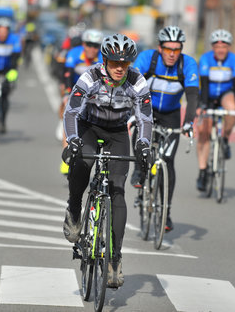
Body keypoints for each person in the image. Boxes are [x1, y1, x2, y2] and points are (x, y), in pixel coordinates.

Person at [61, 33, 153, 288]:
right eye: (114, 63)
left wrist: (144, 145)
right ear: (105, 60)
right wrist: (73, 140)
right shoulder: (89, 77)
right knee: (81, 166)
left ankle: (114, 259)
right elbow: (71, 111)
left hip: (117, 133)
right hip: (88, 126)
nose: (119, 68)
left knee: (118, 190)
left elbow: (145, 119)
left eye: (124, 64)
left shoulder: (137, 81)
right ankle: (75, 211)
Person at [132, 25, 198, 232]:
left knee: (168, 162)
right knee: (140, 134)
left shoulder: (187, 64)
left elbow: (193, 96)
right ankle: (138, 172)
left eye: (176, 49)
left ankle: (166, 213)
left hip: (171, 114)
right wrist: (132, 113)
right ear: (160, 48)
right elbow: (131, 86)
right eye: (168, 49)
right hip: (147, 109)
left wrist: (188, 122)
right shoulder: (147, 59)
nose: (172, 54)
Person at [195, 29, 235, 191]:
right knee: (203, 131)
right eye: (217, 47)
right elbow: (205, 82)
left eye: (224, 47)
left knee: (232, 110)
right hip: (207, 95)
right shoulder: (206, 59)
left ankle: (225, 139)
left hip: (225, 93)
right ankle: (202, 171)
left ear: (228, 47)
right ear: (213, 48)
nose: (221, 50)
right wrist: (203, 106)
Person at [59, 29, 104, 175]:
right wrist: (67, 93)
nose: (92, 49)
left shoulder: (102, 58)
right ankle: (66, 157)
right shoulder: (74, 53)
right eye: (89, 45)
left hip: (94, 94)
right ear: (83, 44)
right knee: (68, 112)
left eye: (96, 46)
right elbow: (67, 74)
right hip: (74, 91)